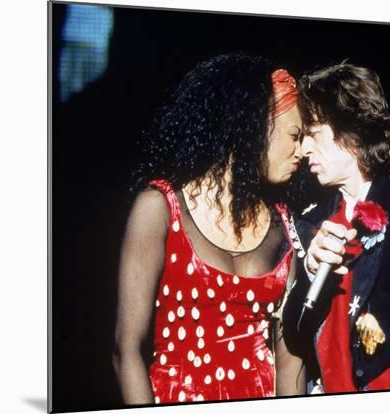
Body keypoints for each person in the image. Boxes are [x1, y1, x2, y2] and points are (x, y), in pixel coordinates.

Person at [112, 53, 306, 405]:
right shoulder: (159, 209)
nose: (302, 151)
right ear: (253, 125)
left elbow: (289, 359)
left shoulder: (285, 224)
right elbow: (127, 351)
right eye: (294, 135)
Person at [282, 62, 390, 393]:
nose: (304, 149)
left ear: (352, 132)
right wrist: (308, 269)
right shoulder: (310, 220)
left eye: (314, 134)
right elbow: (294, 335)